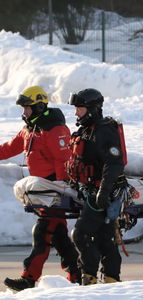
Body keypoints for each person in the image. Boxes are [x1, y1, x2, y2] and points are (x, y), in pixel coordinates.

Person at [3, 86, 81, 291]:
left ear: (38, 106)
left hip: (55, 188)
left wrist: (61, 186)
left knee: (43, 232)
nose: (24, 113)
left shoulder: (54, 129)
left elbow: (63, 159)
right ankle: (76, 273)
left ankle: (29, 278)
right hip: (42, 190)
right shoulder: (30, 129)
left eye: (27, 108)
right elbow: (10, 147)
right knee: (58, 235)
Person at [66, 88, 127, 285]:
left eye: (80, 108)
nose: (76, 113)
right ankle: (110, 281)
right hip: (89, 191)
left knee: (81, 234)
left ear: (92, 109)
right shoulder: (86, 130)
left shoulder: (104, 130)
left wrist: (104, 190)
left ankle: (89, 278)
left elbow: (114, 163)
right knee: (104, 239)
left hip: (103, 194)